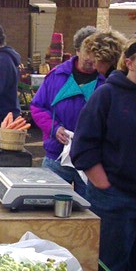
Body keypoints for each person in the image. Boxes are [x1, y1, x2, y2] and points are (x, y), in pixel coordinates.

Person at [71, 34, 136, 271]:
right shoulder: (108, 95)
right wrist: (104, 184)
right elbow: (83, 147)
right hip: (114, 200)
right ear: (129, 62)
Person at [30, 25, 104, 197]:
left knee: (90, 213)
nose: (90, 58)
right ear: (77, 50)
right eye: (86, 52)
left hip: (91, 160)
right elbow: (37, 106)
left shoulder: (106, 81)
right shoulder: (57, 75)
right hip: (56, 155)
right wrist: (54, 129)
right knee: (47, 204)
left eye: (94, 53)